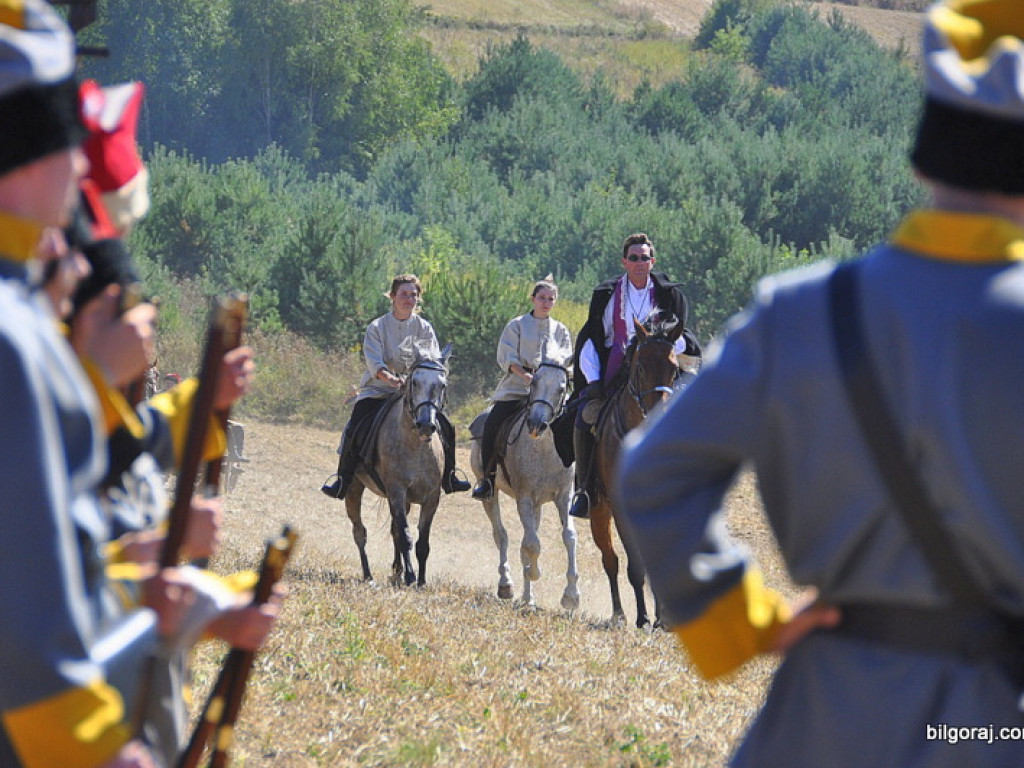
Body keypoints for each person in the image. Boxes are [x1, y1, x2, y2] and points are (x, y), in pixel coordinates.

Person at [617, 2, 1024, 766]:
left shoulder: (799, 311)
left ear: (922, 162)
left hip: (826, 714)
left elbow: (653, 473)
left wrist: (747, 621)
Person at [0, 2, 161, 765]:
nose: (80, 164)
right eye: (69, 137)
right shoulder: (13, 334)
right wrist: (100, 750)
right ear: (33, 150)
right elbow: (26, 619)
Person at [568, 232, 692, 518]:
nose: (639, 262)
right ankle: (585, 490)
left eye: (644, 258)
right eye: (633, 258)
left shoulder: (670, 295)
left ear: (653, 261)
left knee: (693, 416)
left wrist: (662, 350)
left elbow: (681, 338)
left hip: (657, 368)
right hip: (614, 369)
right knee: (584, 417)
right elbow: (592, 339)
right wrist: (594, 380)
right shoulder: (607, 294)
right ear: (624, 262)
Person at [321, 274, 471, 499]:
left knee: (447, 426)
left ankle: (449, 476)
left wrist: (420, 383)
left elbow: (433, 362)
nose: (409, 299)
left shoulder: (425, 328)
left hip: (416, 394)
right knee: (355, 426)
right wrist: (392, 380)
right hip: (379, 390)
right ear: (392, 296)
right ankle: (343, 479)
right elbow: (375, 363)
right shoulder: (377, 327)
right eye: (404, 294)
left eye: (413, 295)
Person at [471, 275, 573, 499]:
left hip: (549, 394)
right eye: (542, 297)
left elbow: (567, 361)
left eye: (550, 299)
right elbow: (507, 356)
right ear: (532, 299)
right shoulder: (516, 325)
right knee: (492, 424)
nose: (546, 302)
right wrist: (526, 376)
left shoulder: (561, 330)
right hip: (517, 388)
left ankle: (579, 481)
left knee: (575, 422)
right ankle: (487, 479)